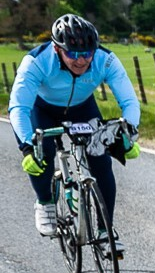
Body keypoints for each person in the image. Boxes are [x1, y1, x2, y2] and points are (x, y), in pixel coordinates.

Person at [10, 14, 142, 251]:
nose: (81, 61)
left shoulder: (105, 60)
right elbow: (19, 107)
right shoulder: (36, 62)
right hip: (44, 109)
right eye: (72, 54)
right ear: (57, 48)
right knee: (43, 152)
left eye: (86, 54)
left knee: (101, 161)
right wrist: (27, 147)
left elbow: (129, 101)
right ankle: (45, 203)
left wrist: (129, 132)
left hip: (83, 108)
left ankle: (105, 231)